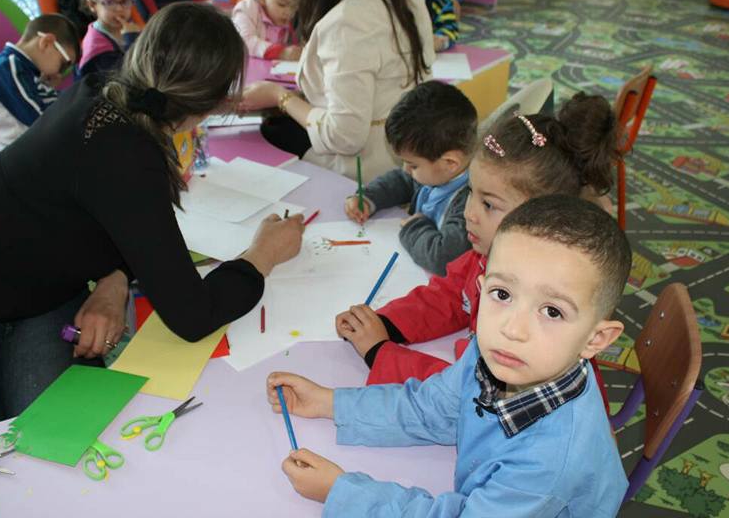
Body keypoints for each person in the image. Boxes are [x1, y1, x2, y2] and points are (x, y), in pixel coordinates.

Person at [0, 3, 304, 432]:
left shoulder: (104, 93)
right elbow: (193, 316)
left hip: (37, 303)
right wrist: (262, 255)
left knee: (53, 439)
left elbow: (98, 214)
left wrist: (114, 280)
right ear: (204, 105)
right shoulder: (128, 152)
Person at [268, 195, 630, 517]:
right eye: (503, 294)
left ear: (595, 339)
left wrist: (341, 493)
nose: (512, 329)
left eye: (552, 311)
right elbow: (431, 406)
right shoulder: (500, 354)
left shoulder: (548, 463)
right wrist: (330, 402)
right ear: (482, 288)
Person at [336, 93, 618, 385]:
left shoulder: (534, 311)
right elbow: (449, 295)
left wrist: (379, 351)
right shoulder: (488, 255)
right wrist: (387, 324)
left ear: (542, 217)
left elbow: (469, 391)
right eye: (471, 192)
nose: (468, 213)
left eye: (489, 204)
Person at [238, 0, 435, 181]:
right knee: (281, 124)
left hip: (365, 169)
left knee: (268, 134)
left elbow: (345, 137)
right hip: (411, 148)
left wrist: (279, 96)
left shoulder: (346, 21)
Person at [344, 81, 476, 275]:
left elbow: (444, 258)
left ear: (450, 163)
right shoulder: (437, 172)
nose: (406, 169)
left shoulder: (471, 203)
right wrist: (369, 198)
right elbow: (402, 181)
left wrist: (414, 228)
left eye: (413, 165)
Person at [0, 13, 81, 152]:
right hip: (18, 153)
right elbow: (37, 119)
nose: (60, 72)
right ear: (46, 43)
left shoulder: (25, 67)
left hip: (35, 144)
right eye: (64, 64)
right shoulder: (8, 67)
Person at [77, 0, 142, 80]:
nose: (119, 9)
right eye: (109, 2)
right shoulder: (97, 47)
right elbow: (125, 78)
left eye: (124, 1)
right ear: (92, 5)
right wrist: (132, 39)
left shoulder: (127, 26)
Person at [230, 0, 301, 61]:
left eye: (294, 6)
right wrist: (281, 52)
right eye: (282, 4)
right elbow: (244, 41)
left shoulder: (288, 18)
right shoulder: (246, 9)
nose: (289, 12)